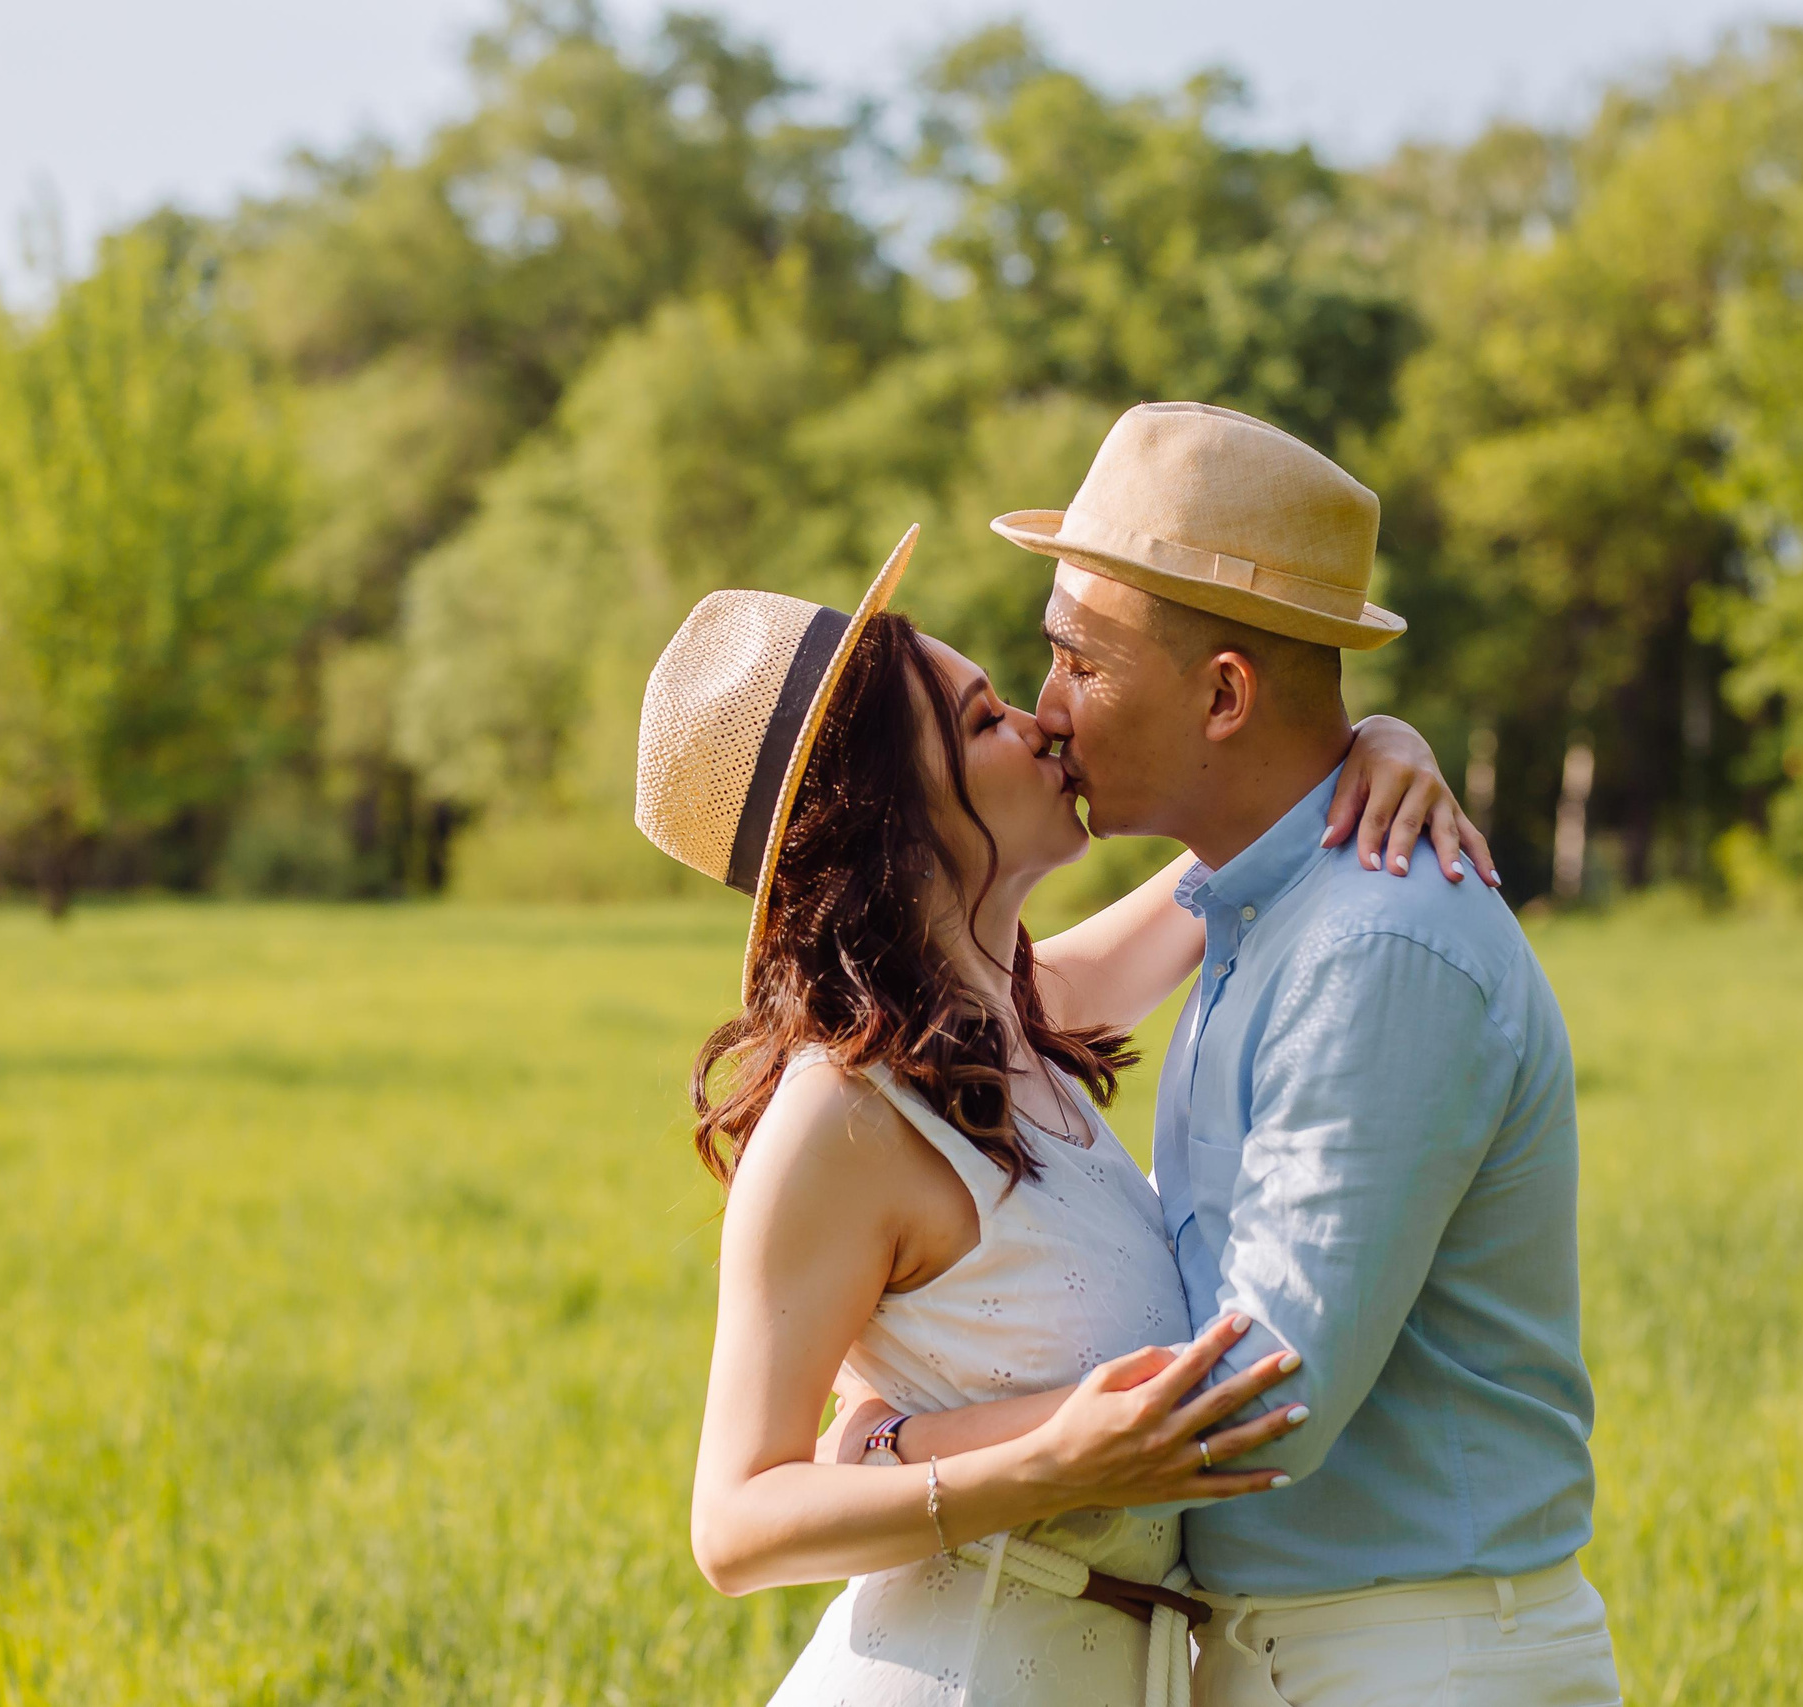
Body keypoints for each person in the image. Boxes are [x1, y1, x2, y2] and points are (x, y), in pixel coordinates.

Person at [632, 522, 1494, 1706]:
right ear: (897, 816)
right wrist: (1043, 1465)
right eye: (984, 719)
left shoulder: (1010, 1028)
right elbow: (734, 1524)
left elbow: (1243, 847)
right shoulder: (842, 1116)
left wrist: (1376, 746)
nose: (1042, 720)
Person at [987, 401, 1619, 1703]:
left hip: (1409, 1660)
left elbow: (1267, 1393)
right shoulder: (1258, 903)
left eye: (1077, 660)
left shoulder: (1374, 944)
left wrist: (918, 1454)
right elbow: (989, 1012)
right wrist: (1365, 748)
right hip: (1307, 1648)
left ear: (1224, 692)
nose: (1047, 708)